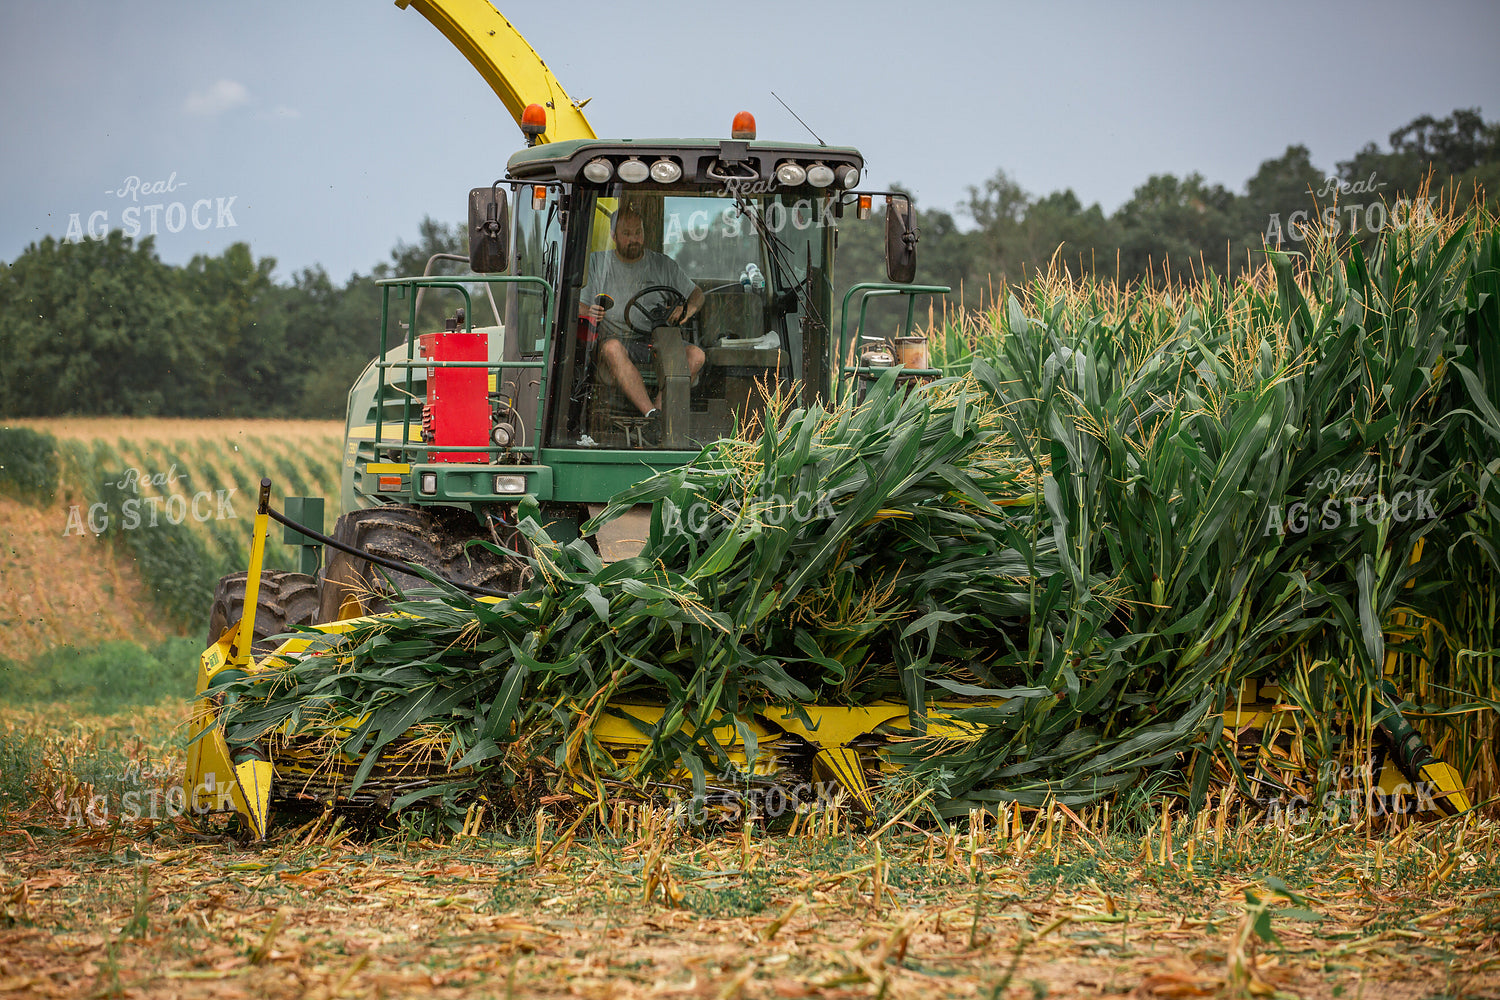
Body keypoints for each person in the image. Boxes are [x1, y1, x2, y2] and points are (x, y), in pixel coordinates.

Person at [578, 209, 706, 427]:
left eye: (638, 232)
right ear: (613, 235)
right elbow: (574, 302)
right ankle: (651, 415)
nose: (634, 239)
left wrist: (687, 310)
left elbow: (697, 295)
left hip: (658, 340)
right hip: (616, 339)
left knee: (696, 355)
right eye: (627, 233)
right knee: (611, 349)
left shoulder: (662, 264)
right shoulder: (597, 264)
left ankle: (658, 412)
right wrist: (587, 310)